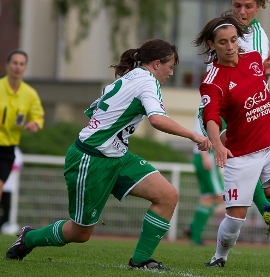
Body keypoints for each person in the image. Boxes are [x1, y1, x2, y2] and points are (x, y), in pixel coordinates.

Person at [6, 39, 212, 270]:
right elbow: (156, 119)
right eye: (170, 66)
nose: (172, 72)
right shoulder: (146, 81)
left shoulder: (133, 76)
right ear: (156, 64)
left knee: (168, 195)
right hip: (91, 158)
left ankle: (141, 260)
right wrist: (193, 136)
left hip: (116, 156)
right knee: (80, 233)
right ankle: (29, 238)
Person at [194, 12, 270, 267]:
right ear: (212, 45)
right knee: (235, 218)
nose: (230, 46)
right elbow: (210, 117)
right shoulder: (212, 80)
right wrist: (219, 145)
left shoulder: (255, 59)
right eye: (223, 42)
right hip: (242, 152)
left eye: (233, 40)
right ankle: (219, 257)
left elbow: (255, 88)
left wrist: (264, 74)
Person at [229, 0, 270, 265]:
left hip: (246, 109)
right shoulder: (223, 29)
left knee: (264, 189)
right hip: (221, 104)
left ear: (259, 7)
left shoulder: (255, 37)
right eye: (237, 5)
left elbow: (252, 80)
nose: (242, 12)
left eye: (248, 6)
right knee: (263, 190)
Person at [0, 49, 44, 202]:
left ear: (25, 68)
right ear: (7, 65)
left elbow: (38, 116)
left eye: (21, 64)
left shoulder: (30, 94)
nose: (17, 67)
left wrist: (35, 124)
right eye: (14, 63)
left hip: (7, 149)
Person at [183, 112, 224, 245]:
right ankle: (194, 231)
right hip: (206, 156)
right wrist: (205, 156)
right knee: (220, 196)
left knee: (208, 197)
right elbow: (200, 133)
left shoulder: (210, 105)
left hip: (204, 157)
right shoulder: (207, 107)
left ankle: (193, 231)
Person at [0, 147, 22, 232]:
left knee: (6, 208)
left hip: (9, 186)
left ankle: (3, 225)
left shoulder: (15, 151)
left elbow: (18, 164)